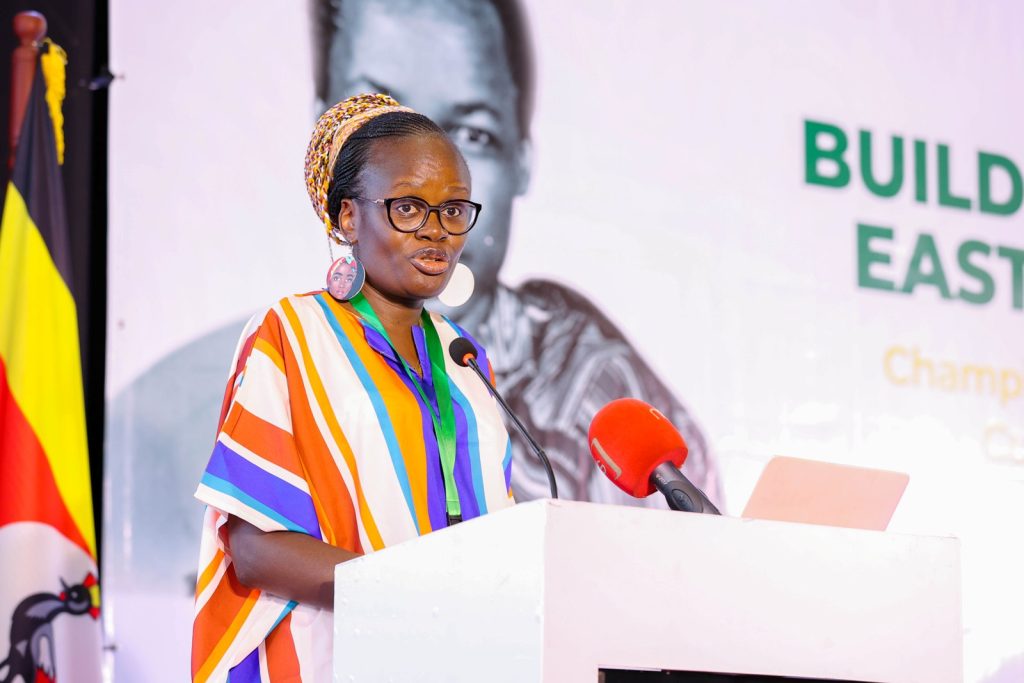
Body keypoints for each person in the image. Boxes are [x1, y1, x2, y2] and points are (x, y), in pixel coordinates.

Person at [315, 0, 719, 504]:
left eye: (471, 133)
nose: (428, 171)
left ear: (521, 159)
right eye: (386, 129)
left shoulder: (586, 379)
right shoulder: (295, 346)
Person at [190, 94, 514, 682]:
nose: (437, 232)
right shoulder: (291, 333)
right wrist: (414, 598)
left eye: (453, 210)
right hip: (330, 661)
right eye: (409, 209)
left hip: (460, 661)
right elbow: (256, 548)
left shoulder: (466, 362)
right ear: (346, 217)